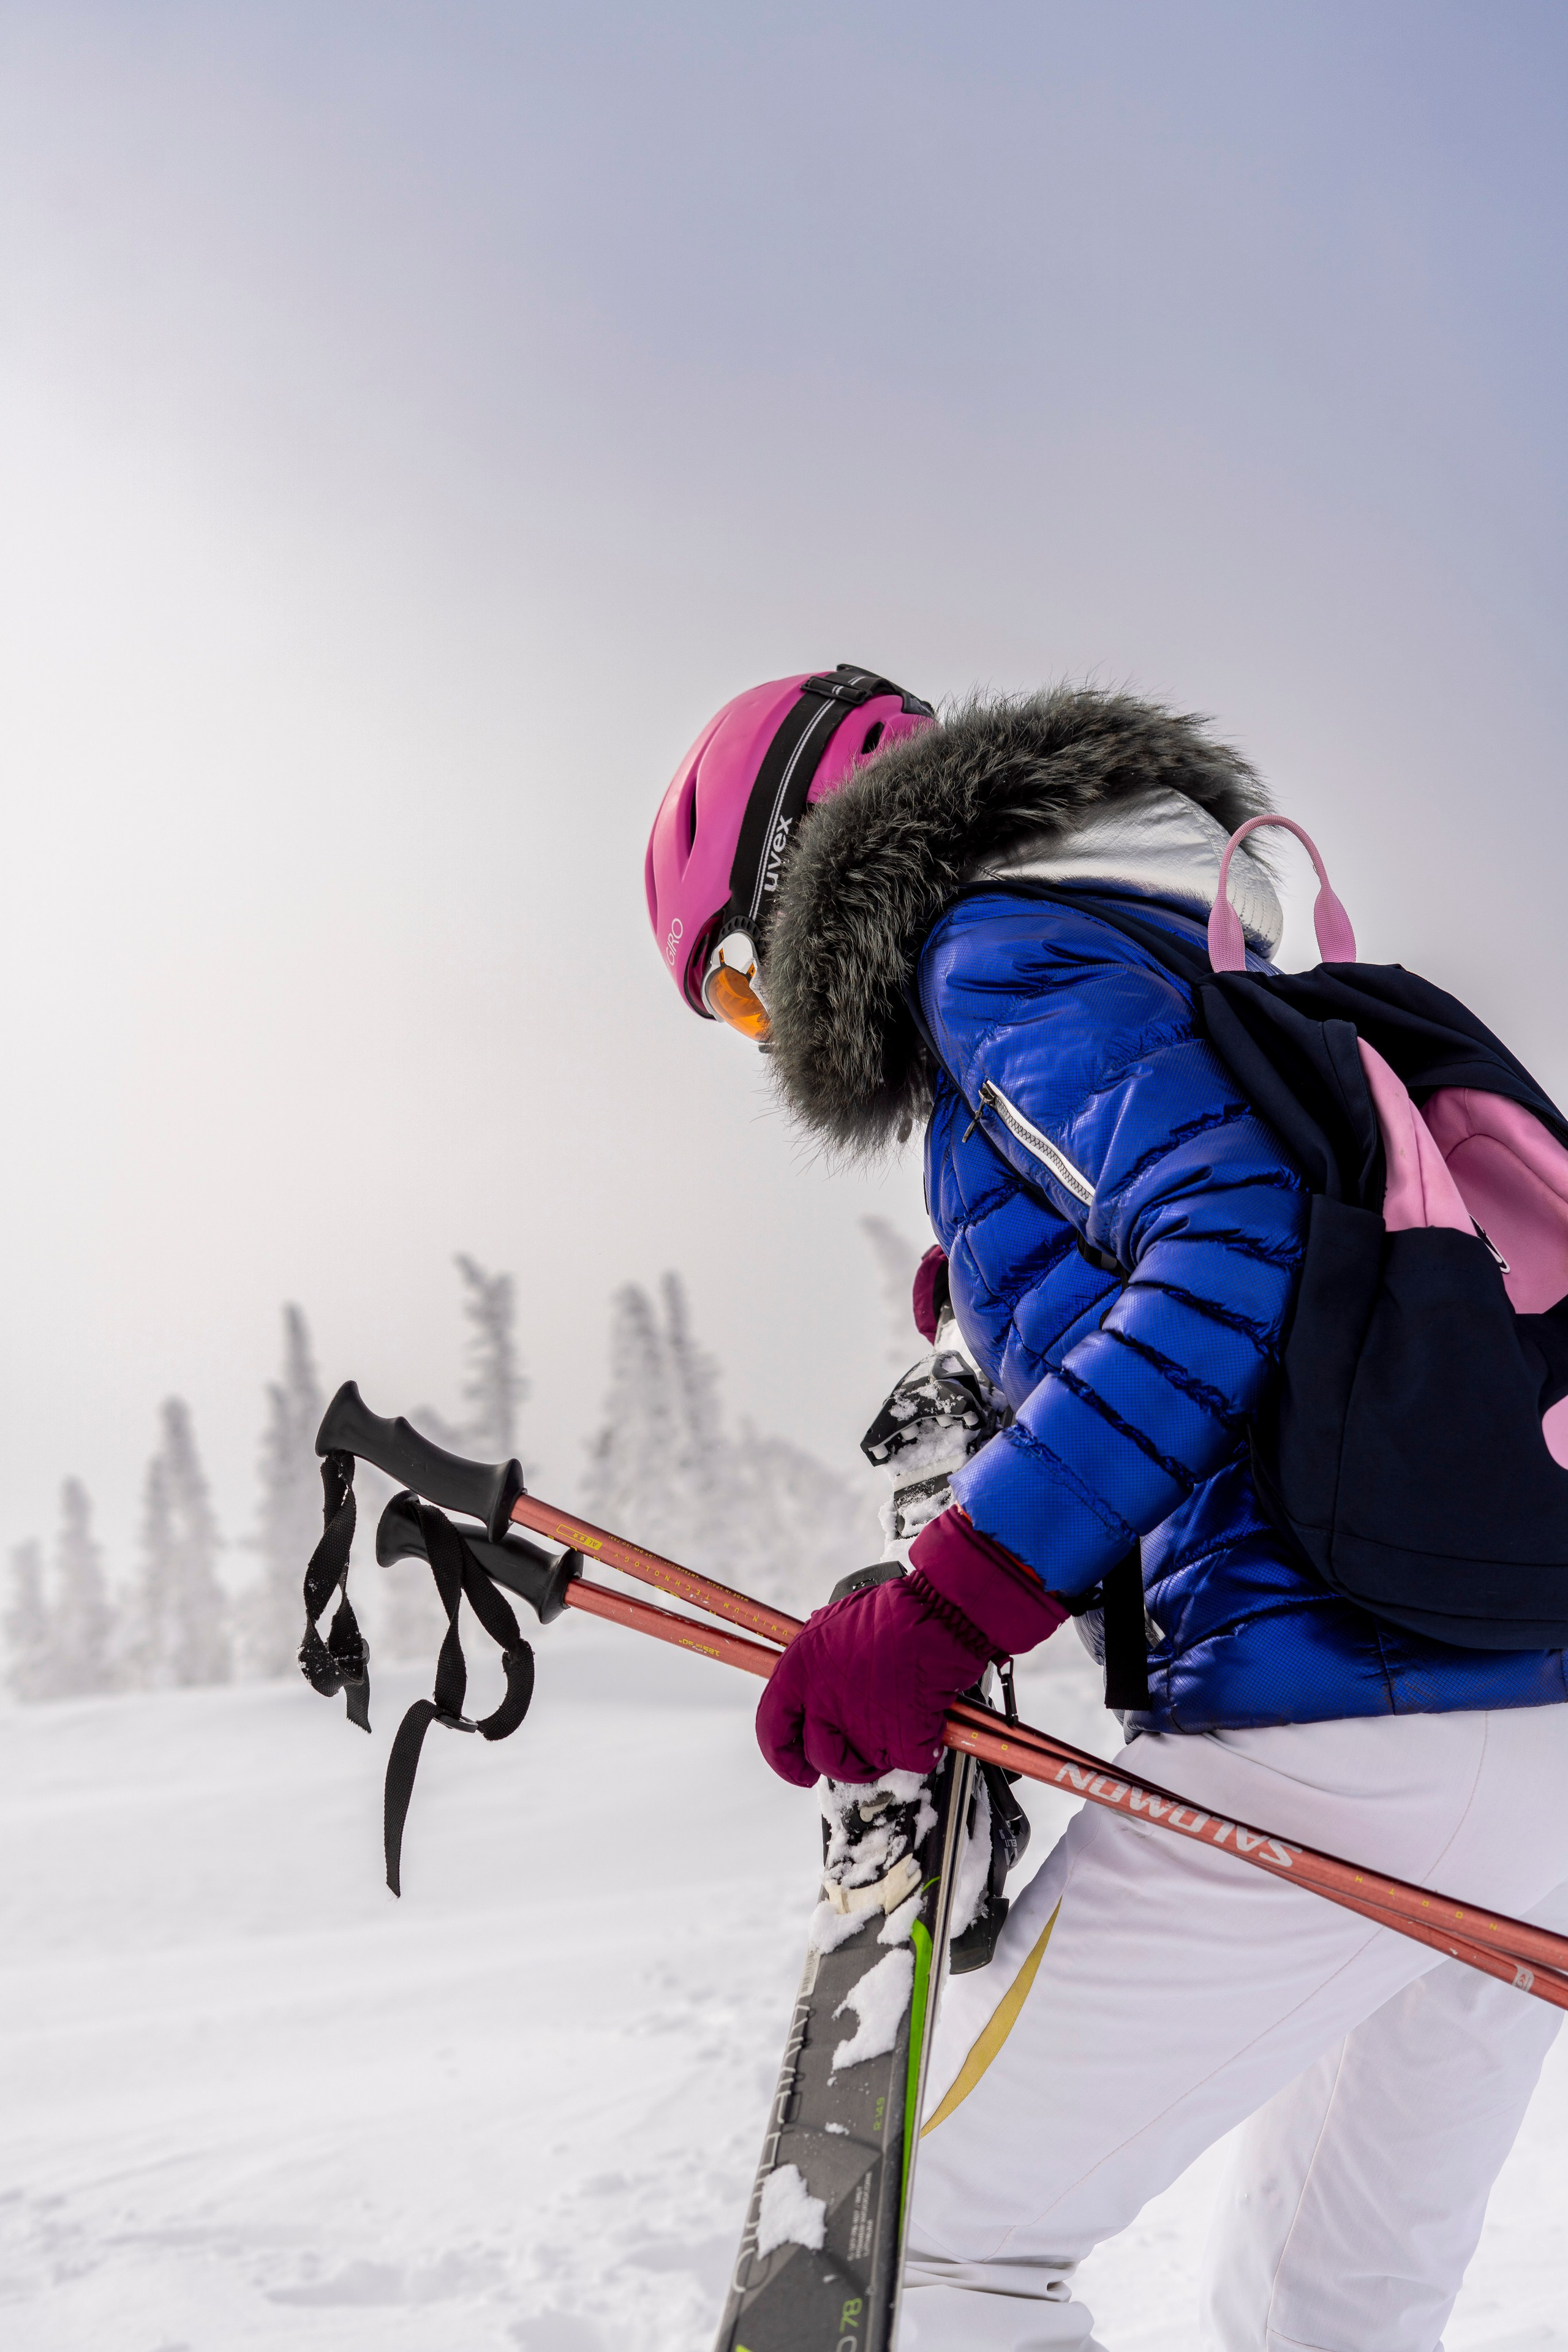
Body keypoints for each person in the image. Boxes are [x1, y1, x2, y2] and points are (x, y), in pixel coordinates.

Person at [644, 668, 1568, 2351]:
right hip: (1539, 1737)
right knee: (1339, 2311)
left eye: (739, 986)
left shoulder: (995, 952)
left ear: (804, 871)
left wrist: (947, 1603)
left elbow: (1228, 1251)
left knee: (913, 2258)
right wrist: (1020, 1276)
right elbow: (1267, 1209)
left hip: (1342, 1725)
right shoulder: (1194, 945)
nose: (766, 1028)